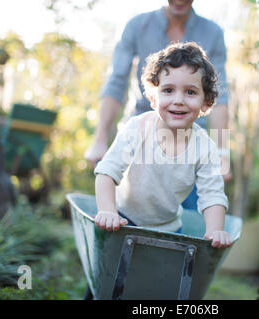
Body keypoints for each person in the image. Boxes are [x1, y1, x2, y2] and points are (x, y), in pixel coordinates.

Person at [84, 0, 232, 210]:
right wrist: (99, 139)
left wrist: (222, 151)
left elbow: (220, 95)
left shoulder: (212, 33)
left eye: (188, 92)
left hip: (189, 140)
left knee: (190, 220)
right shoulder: (137, 26)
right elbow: (116, 82)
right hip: (141, 137)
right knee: (128, 206)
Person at [93, 42, 232, 248]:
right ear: (153, 98)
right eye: (168, 90)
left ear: (206, 102)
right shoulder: (137, 129)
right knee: (115, 273)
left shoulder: (205, 148)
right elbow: (107, 173)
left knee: (166, 277)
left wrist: (214, 232)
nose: (178, 100)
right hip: (122, 218)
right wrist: (107, 211)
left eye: (190, 92)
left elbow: (212, 195)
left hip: (168, 228)